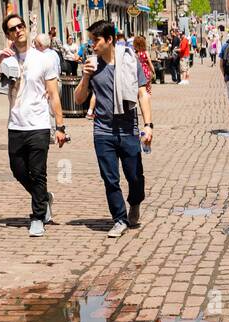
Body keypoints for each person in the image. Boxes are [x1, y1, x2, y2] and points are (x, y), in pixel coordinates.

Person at [0, 13, 69, 238]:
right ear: (8, 34)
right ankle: (43, 197)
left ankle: (38, 217)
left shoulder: (44, 59)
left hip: (39, 124)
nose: (18, 30)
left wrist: (60, 126)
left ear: (26, 28)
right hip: (16, 124)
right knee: (18, 170)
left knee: (38, 172)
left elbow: (53, 94)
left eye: (20, 26)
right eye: (13, 29)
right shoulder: (7, 58)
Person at [76, 20, 153, 239]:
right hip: (103, 131)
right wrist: (85, 77)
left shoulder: (130, 60)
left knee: (135, 176)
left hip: (128, 129)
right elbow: (79, 98)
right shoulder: (91, 65)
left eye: (96, 40)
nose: (92, 45)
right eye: (91, 40)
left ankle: (135, 202)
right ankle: (119, 218)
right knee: (110, 178)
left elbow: (142, 93)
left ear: (109, 40)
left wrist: (148, 125)